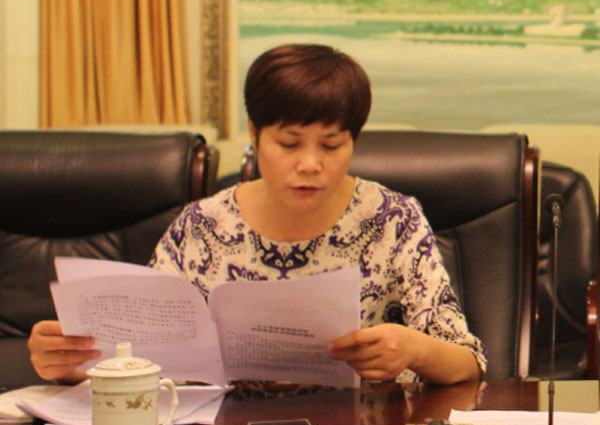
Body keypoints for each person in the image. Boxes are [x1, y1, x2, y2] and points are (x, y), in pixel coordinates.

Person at [28, 43, 486, 384]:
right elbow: (141, 357)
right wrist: (69, 366)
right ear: (254, 133)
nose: (310, 164)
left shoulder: (393, 219)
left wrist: (413, 348)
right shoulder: (202, 225)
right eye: (288, 143)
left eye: (332, 145)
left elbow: (467, 363)